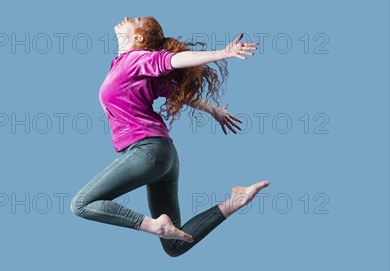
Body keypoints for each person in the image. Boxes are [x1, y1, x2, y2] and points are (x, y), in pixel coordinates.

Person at [70, 16, 271, 257]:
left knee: (81, 203)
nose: (126, 18)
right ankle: (234, 202)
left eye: (134, 19)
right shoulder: (128, 66)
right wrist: (214, 110)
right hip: (163, 158)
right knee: (175, 245)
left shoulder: (137, 59)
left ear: (139, 37)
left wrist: (223, 53)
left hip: (147, 151)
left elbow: (174, 60)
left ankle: (155, 226)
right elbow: (182, 95)